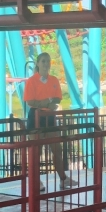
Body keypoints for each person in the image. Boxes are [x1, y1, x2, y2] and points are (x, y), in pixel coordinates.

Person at [23, 53, 76, 191]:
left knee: (57, 149)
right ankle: (36, 181)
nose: (46, 64)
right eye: (43, 61)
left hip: (50, 117)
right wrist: (47, 102)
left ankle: (63, 179)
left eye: (48, 61)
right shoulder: (31, 81)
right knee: (36, 151)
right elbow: (30, 102)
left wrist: (47, 103)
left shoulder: (54, 80)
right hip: (36, 117)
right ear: (38, 63)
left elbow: (58, 98)